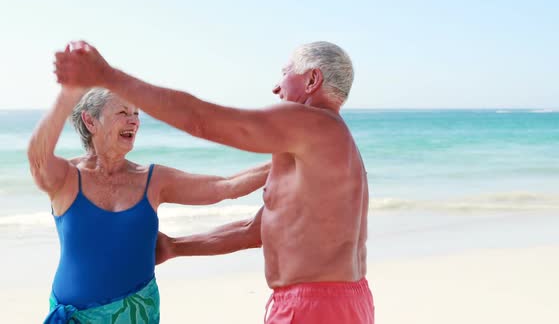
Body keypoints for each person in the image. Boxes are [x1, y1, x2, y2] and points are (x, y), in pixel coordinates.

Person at [55, 40, 374, 323]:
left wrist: (108, 76)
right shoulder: (324, 146)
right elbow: (253, 231)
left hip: (312, 307)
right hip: (342, 303)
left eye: (285, 73)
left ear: (312, 79)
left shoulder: (313, 123)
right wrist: (175, 247)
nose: (276, 88)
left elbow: (200, 118)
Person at [28, 63, 270, 323]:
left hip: (138, 312)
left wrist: (286, 160)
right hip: (76, 317)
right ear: (90, 121)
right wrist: (69, 92)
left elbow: (224, 186)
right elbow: (38, 157)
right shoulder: (66, 178)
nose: (133, 120)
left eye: (136, 113)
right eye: (123, 112)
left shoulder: (152, 179)